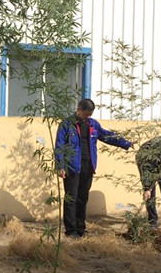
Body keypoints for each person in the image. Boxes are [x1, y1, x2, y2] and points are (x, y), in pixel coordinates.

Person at [55, 98, 133, 238]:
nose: (87, 117)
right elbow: (59, 146)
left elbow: (107, 136)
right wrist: (60, 166)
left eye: (90, 114)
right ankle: (71, 230)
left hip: (88, 166)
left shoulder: (93, 124)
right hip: (72, 167)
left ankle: (80, 228)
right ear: (79, 109)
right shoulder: (66, 124)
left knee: (83, 198)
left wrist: (125, 143)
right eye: (85, 114)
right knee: (71, 199)